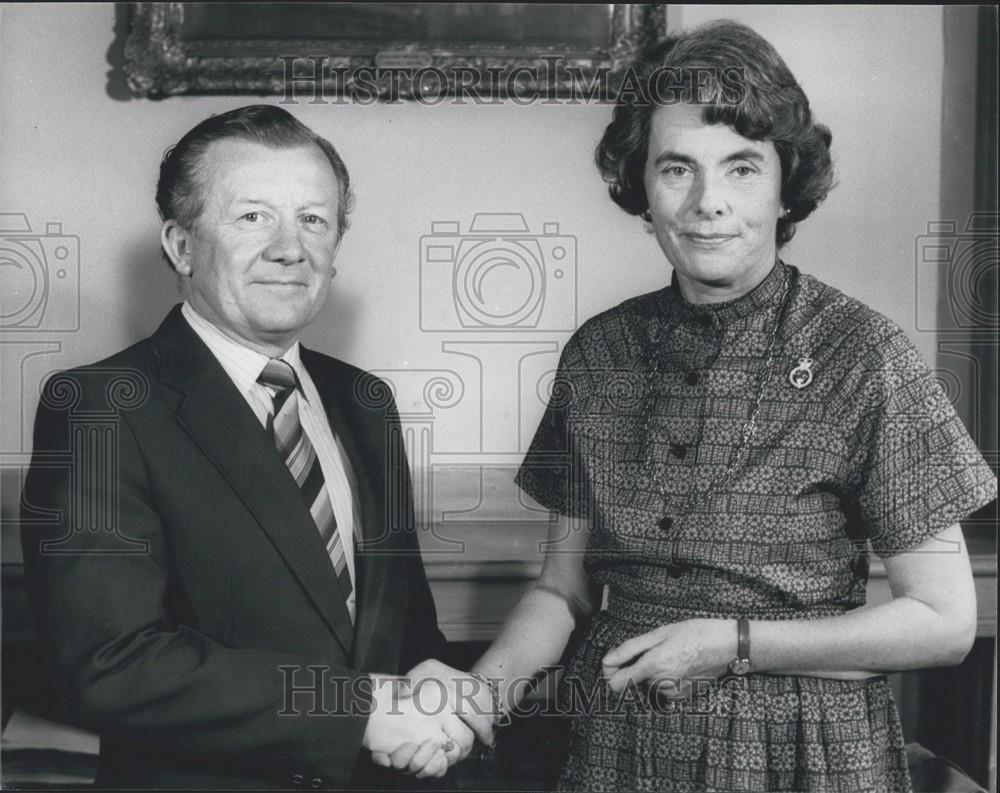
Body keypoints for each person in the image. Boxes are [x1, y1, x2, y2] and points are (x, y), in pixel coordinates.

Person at [411, 21, 998, 792]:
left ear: (788, 184)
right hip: (623, 744)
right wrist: (473, 698)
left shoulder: (866, 355)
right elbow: (563, 589)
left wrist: (734, 641)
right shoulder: (599, 354)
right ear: (641, 185)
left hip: (803, 748)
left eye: (742, 168)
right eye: (677, 168)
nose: (707, 203)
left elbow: (944, 622)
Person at [20, 105, 487, 790]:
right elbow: (109, 663)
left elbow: (398, 627)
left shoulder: (366, 403)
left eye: (314, 220)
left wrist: (425, 679)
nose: (290, 248)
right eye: (252, 217)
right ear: (180, 245)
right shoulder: (100, 407)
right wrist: (355, 710)